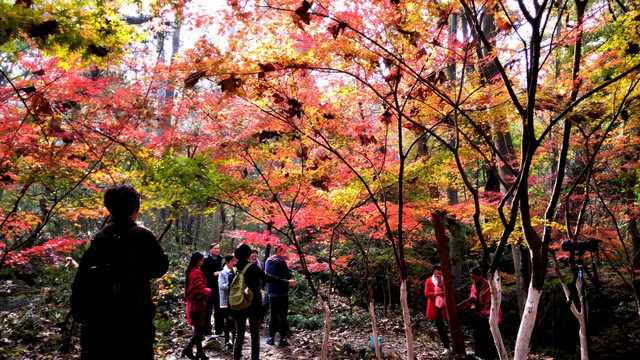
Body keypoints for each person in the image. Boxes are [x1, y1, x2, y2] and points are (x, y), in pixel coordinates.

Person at [75, 184, 169, 360]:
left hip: (97, 328)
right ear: (135, 207)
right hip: (132, 328)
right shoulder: (141, 235)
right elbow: (160, 267)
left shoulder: (99, 237)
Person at [232, 244, 297, 360]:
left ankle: (236, 357)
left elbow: (230, 291)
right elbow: (268, 278)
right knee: (255, 333)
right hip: (253, 303)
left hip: (238, 304)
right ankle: (254, 358)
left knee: (239, 334)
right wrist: (286, 282)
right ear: (248, 255)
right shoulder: (252, 267)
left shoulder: (234, 269)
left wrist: (229, 310)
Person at [465, 265, 500, 360]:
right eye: (472, 278)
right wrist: (472, 307)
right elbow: (472, 298)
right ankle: (480, 354)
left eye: (475, 277)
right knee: (477, 334)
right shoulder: (473, 286)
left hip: (487, 313)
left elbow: (490, 299)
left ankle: (491, 356)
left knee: (488, 335)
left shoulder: (488, 285)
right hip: (477, 314)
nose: (474, 279)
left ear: (480, 275)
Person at [182, 252, 211, 360]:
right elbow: (198, 286)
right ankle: (188, 348)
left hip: (194, 303)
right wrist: (208, 290)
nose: (202, 262)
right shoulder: (195, 272)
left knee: (198, 329)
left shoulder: (191, 271)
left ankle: (200, 353)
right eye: (202, 260)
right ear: (199, 260)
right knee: (200, 330)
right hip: (197, 303)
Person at [264, 244, 294, 347]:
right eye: (283, 251)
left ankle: (271, 337)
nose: (284, 253)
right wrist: (289, 268)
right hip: (282, 292)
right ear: (279, 251)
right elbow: (288, 275)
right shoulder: (281, 261)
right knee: (282, 315)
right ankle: (282, 338)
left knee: (273, 314)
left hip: (271, 292)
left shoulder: (268, 260)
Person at [424, 263, 450, 355]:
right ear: (434, 271)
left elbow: (450, 291)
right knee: (440, 327)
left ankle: (452, 345)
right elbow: (426, 293)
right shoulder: (429, 281)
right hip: (435, 306)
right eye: (438, 270)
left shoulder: (446, 280)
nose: (440, 272)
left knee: (449, 326)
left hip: (445, 305)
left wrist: (443, 290)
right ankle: (446, 346)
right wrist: (435, 294)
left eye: (441, 270)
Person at [200, 242, 224, 337]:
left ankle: (219, 330)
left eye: (218, 248)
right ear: (210, 250)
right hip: (209, 287)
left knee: (219, 309)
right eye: (215, 249)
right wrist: (213, 274)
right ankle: (207, 332)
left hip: (219, 287)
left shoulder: (220, 259)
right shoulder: (205, 260)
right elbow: (203, 273)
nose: (217, 250)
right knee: (208, 310)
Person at [218, 253, 237, 350]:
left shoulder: (236, 271)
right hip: (225, 302)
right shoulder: (223, 273)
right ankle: (227, 341)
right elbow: (221, 286)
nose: (234, 262)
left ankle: (234, 342)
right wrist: (231, 285)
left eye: (235, 261)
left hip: (234, 302)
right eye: (233, 261)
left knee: (233, 323)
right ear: (227, 262)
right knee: (228, 323)